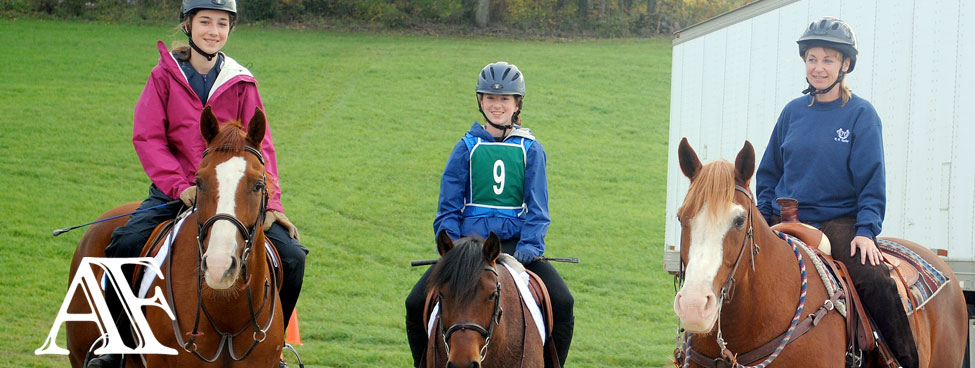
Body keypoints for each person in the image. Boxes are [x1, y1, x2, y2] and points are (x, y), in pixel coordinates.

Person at [88, 1, 307, 367]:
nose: (214, 31)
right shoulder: (163, 76)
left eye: (222, 24)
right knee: (123, 245)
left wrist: (273, 205)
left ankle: (275, 348)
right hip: (177, 190)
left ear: (230, 30)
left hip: (232, 194)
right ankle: (119, 346)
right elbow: (149, 138)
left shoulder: (242, 82)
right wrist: (179, 186)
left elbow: (261, 148)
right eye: (205, 22)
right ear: (188, 26)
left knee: (293, 257)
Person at [756, 16, 917, 368]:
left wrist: (866, 231)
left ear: (845, 64)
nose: (818, 68)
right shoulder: (792, 113)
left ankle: (902, 360)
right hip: (787, 221)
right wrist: (764, 215)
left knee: (874, 280)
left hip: (839, 223)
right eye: (812, 59)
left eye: (828, 60)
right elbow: (768, 172)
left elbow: (872, 181)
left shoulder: (860, 114)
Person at [405, 61, 574, 368]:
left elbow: (538, 207)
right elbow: (448, 207)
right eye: (491, 98)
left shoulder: (531, 148)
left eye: (505, 99)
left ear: (516, 104)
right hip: (467, 247)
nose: (497, 105)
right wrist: (454, 250)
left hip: (513, 248)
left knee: (563, 303)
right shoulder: (465, 148)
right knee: (415, 302)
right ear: (481, 101)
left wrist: (531, 247)